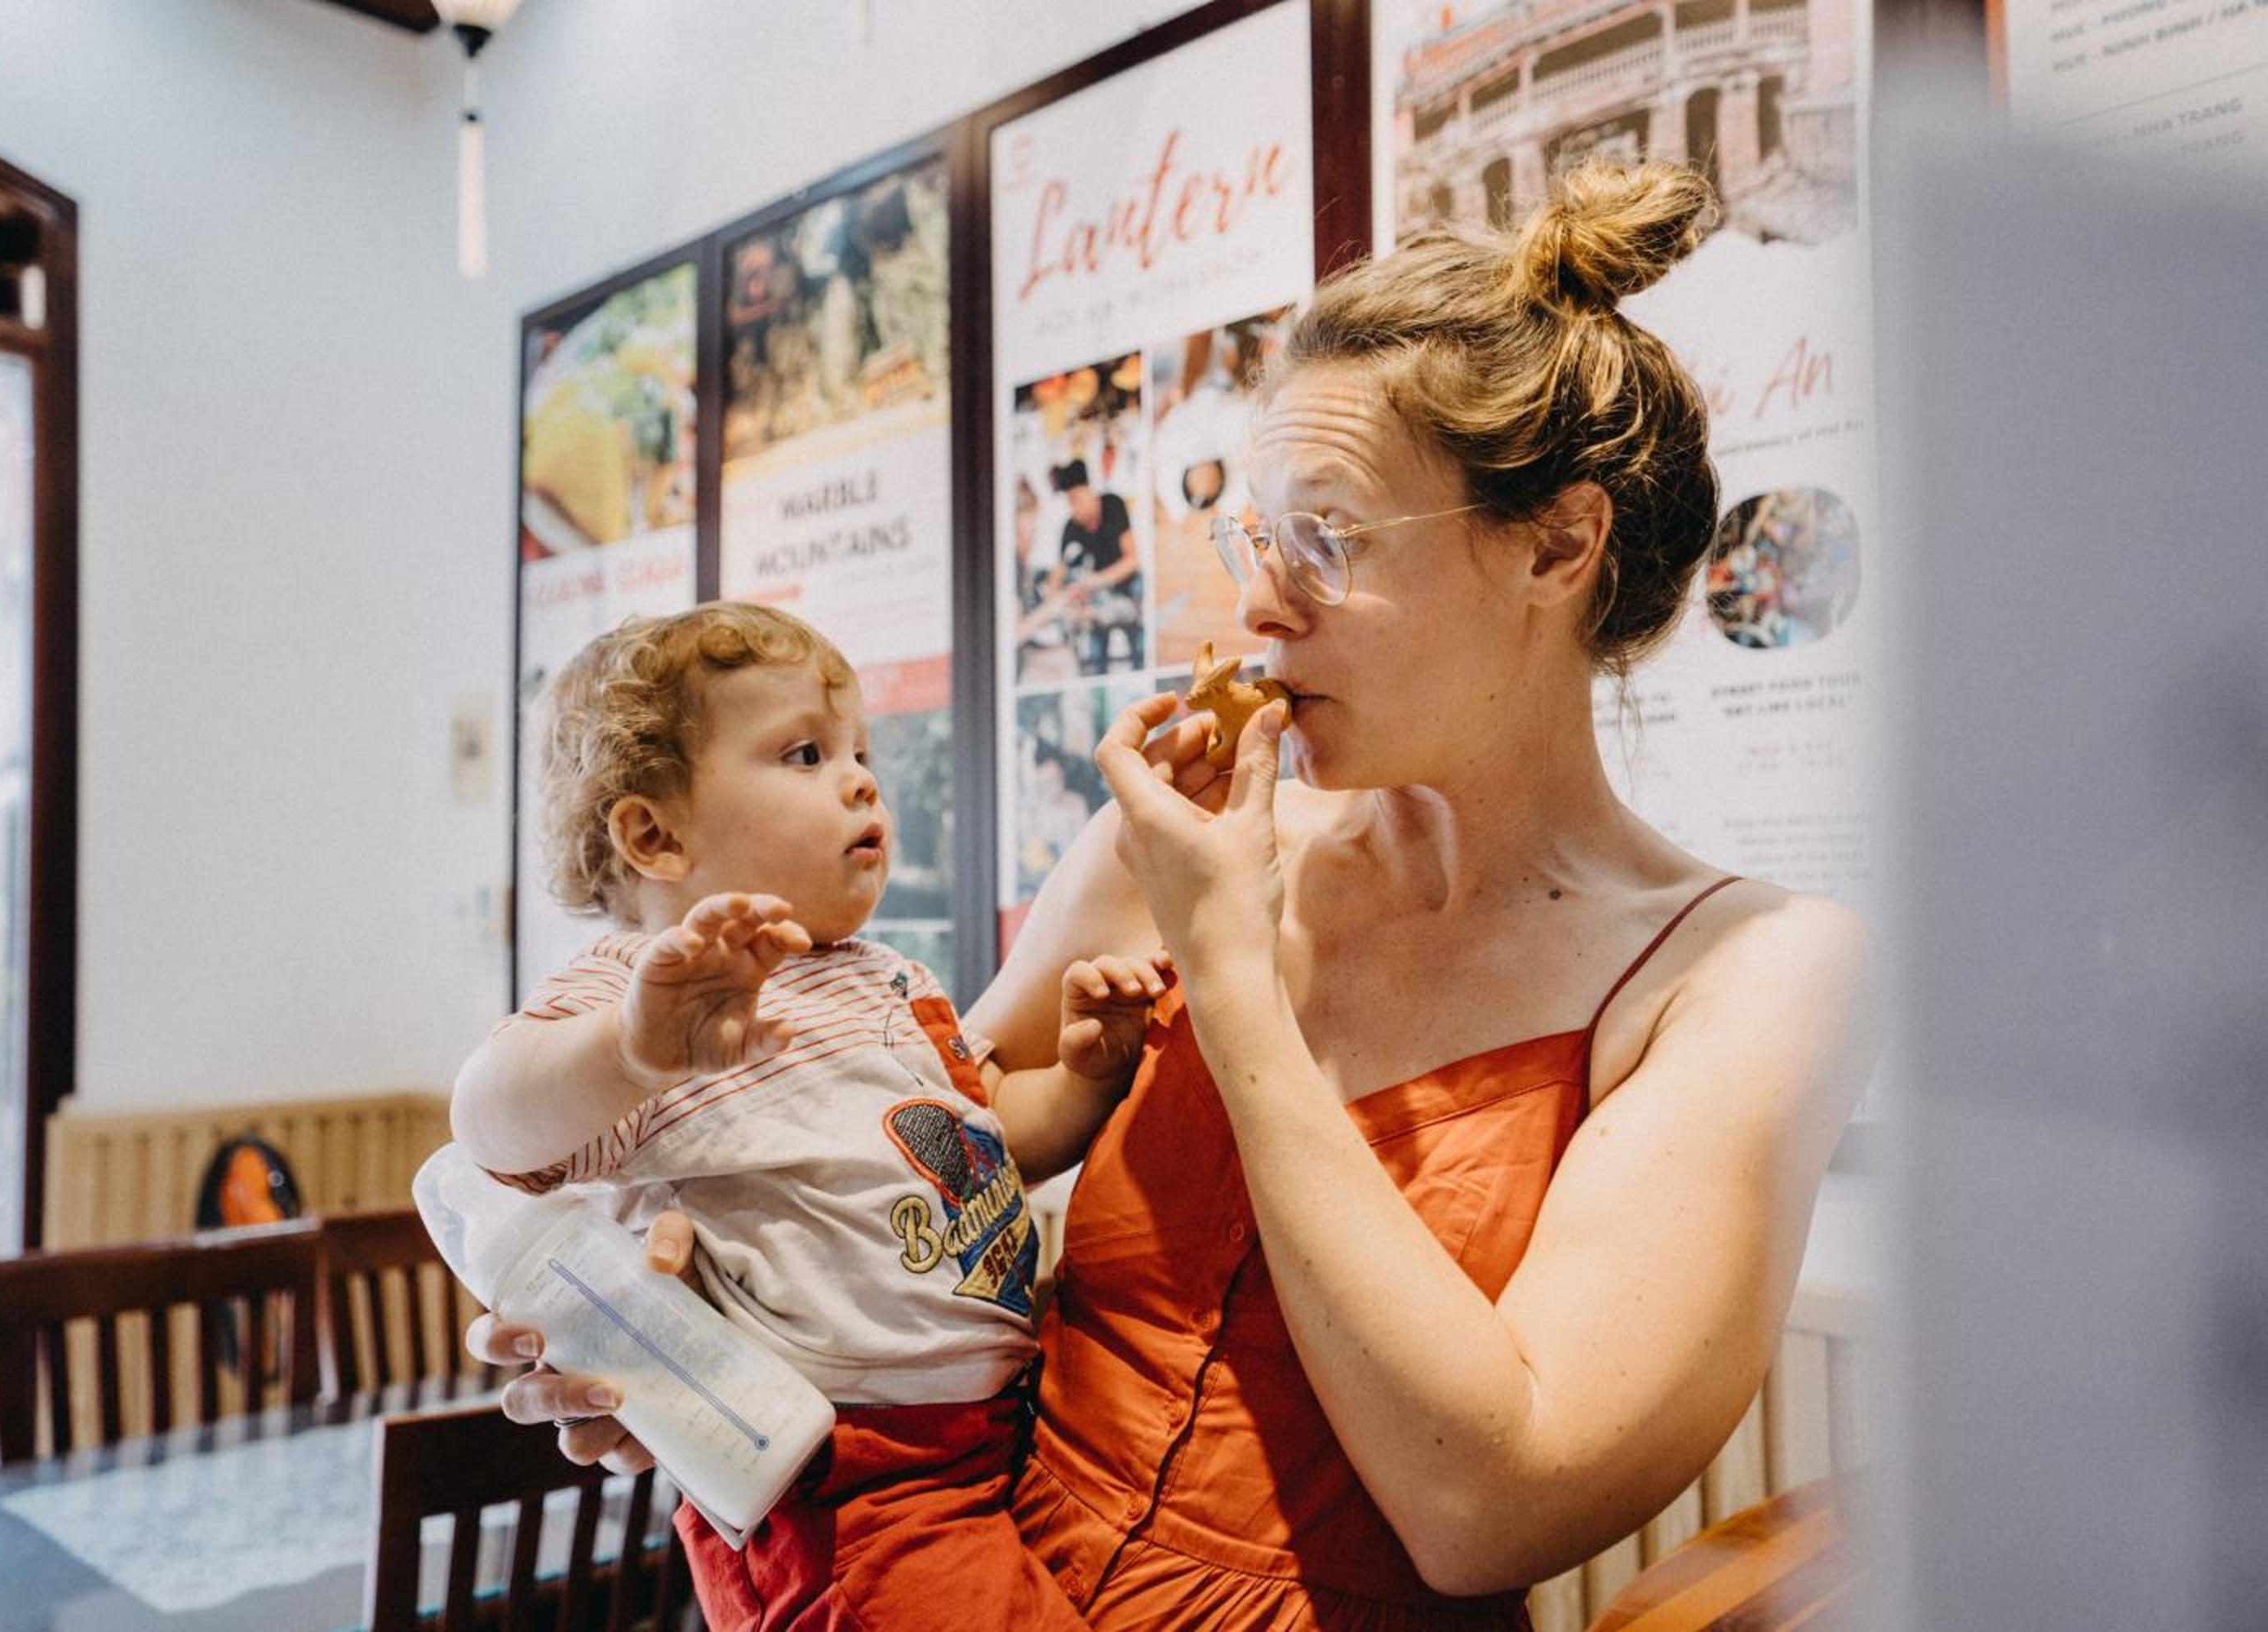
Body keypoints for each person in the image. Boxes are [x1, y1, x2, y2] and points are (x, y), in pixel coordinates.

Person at [473, 160, 1873, 1628]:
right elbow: (901, 1157)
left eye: (1329, 540)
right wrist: (692, 1310)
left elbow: (1489, 1508)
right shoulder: (1177, 837)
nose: (1257, 609)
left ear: (1558, 544)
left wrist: (1235, 974)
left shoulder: (1755, 973)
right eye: (1255, 541)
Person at [450, 601, 1172, 1628]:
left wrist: (1090, 1075)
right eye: (805, 753)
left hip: (989, 1430)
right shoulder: (651, 994)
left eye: (860, 751)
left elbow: (992, 1145)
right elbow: (488, 1122)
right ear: (655, 834)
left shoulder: (884, 978)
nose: (863, 779)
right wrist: (626, 1050)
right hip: (840, 1483)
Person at [1045, 458, 1143, 672]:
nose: (1074, 508)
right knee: (1094, 652)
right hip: (1097, 600)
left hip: (1128, 590)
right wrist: (1056, 599)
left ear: (1089, 490)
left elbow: (1133, 560)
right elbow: (1058, 573)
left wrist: (1096, 581)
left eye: (1076, 500)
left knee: (1140, 647)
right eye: (1069, 502)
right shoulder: (1071, 527)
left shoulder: (1113, 505)